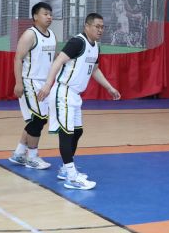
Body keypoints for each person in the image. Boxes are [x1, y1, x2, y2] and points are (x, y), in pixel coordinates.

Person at [38, 13, 120, 190]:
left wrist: (109, 87)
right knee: (66, 134)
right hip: (63, 91)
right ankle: (71, 176)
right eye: (97, 26)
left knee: (77, 131)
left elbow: (95, 70)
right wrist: (47, 84)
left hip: (75, 95)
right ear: (87, 26)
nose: (100, 30)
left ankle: (65, 169)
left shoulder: (96, 47)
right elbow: (58, 61)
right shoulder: (77, 42)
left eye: (102, 27)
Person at [9, 2, 57, 171]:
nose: (49, 17)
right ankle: (32, 157)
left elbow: (52, 58)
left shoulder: (52, 35)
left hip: (45, 83)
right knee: (37, 120)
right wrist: (18, 82)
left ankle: (19, 153)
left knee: (36, 120)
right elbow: (18, 58)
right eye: (45, 14)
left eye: (50, 14)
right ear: (35, 16)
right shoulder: (30, 35)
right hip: (30, 81)